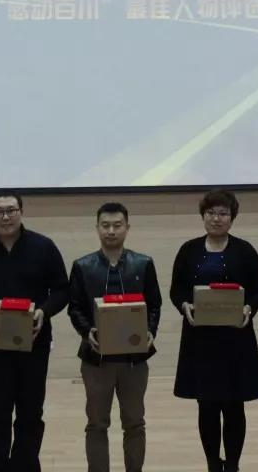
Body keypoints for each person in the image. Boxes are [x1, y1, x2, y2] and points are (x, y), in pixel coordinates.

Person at [0, 192, 70, 472]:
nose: (6, 216)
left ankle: (26, 465)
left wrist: (43, 311)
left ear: (21, 211)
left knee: (30, 412)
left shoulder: (43, 247)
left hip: (34, 344)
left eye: (11, 210)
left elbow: (62, 290)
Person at [170, 189, 258, 472]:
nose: (216, 218)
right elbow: (176, 289)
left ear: (232, 218)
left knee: (235, 407)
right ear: (203, 216)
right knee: (207, 406)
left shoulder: (245, 251)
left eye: (223, 213)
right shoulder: (188, 250)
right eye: (211, 212)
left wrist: (249, 308)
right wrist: (184, 305)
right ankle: (213, 463)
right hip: (201, 341)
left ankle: (233, 465)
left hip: (236, 339)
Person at [67, 202, 163, 472]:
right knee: (97, 424)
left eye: (117, 225)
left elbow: (154, 304)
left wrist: (150, 331)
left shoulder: (143, 264)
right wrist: (87, 331)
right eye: (105, 225)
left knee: (135, 423)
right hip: (96, 360)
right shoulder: (82, 266)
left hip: (134, 359)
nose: (111, 231)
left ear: (127, 227)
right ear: (97, 228)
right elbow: (74, 307)